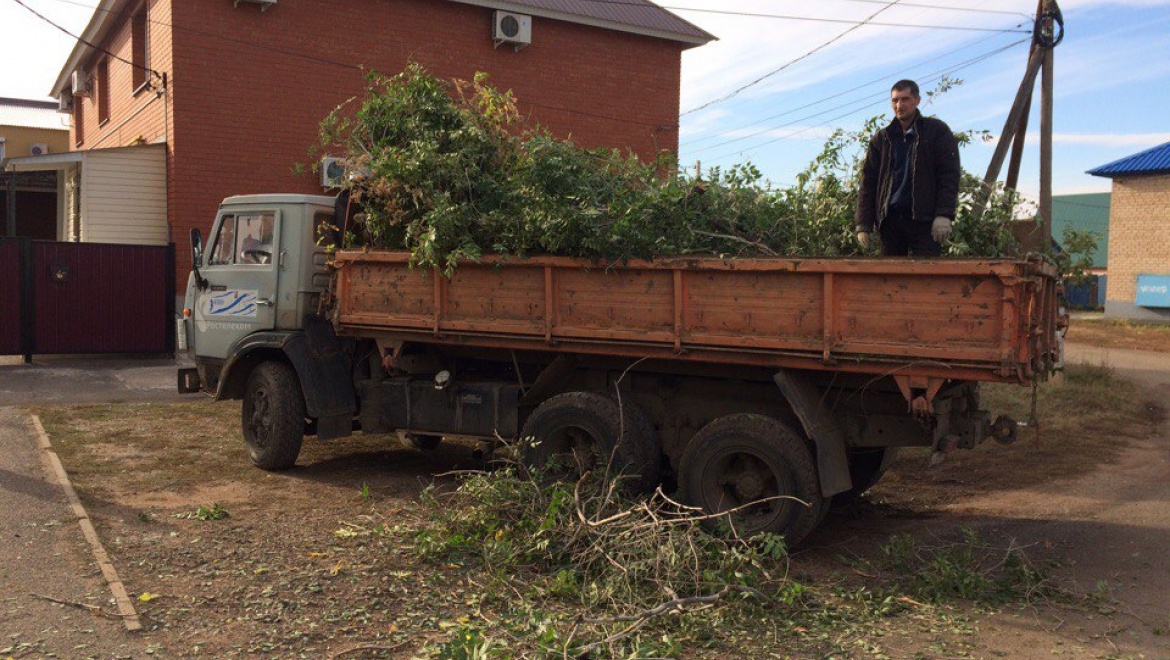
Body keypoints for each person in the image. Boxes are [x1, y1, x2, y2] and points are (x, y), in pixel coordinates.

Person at [855, 80, 960, 257]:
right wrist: (863, 224)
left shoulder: (936, 131)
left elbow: (949, 175)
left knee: (927, 279)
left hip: (925, 221)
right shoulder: (882, 139)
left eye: (905, 99)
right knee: (890, 280)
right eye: (895, 100)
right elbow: (868, 182)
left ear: (917, 100)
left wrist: (944, 214)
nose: (899, 105)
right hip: (891, 222)